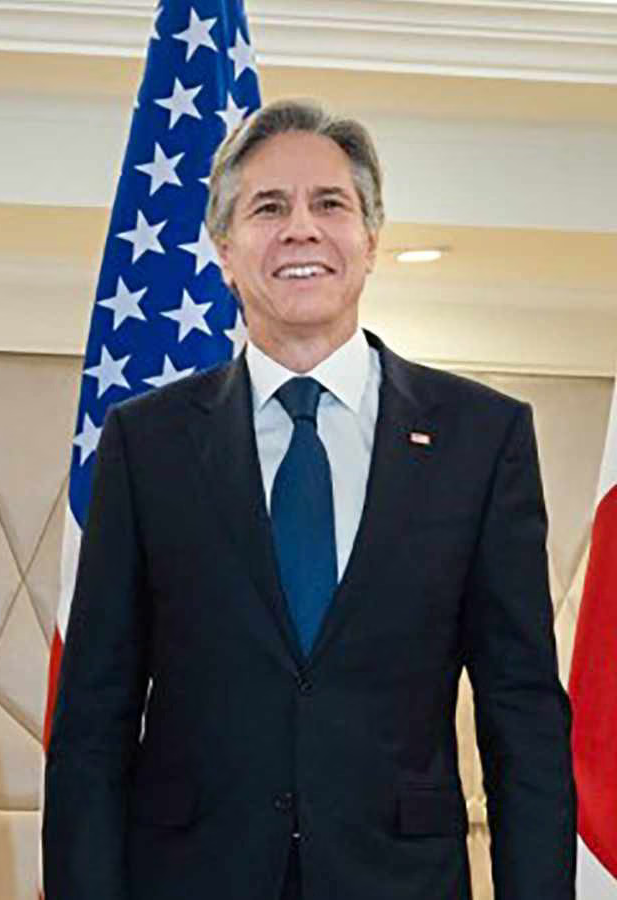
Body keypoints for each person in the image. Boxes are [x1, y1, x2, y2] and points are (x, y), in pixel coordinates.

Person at [43, 99, 575, 900]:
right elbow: (93, 720)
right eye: (268, 207)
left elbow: (522, 712)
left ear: (371, 240)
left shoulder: (480, 437)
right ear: (225, 250)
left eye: (330, 204)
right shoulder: (146, 444)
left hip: (400, 880)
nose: (301, 229)